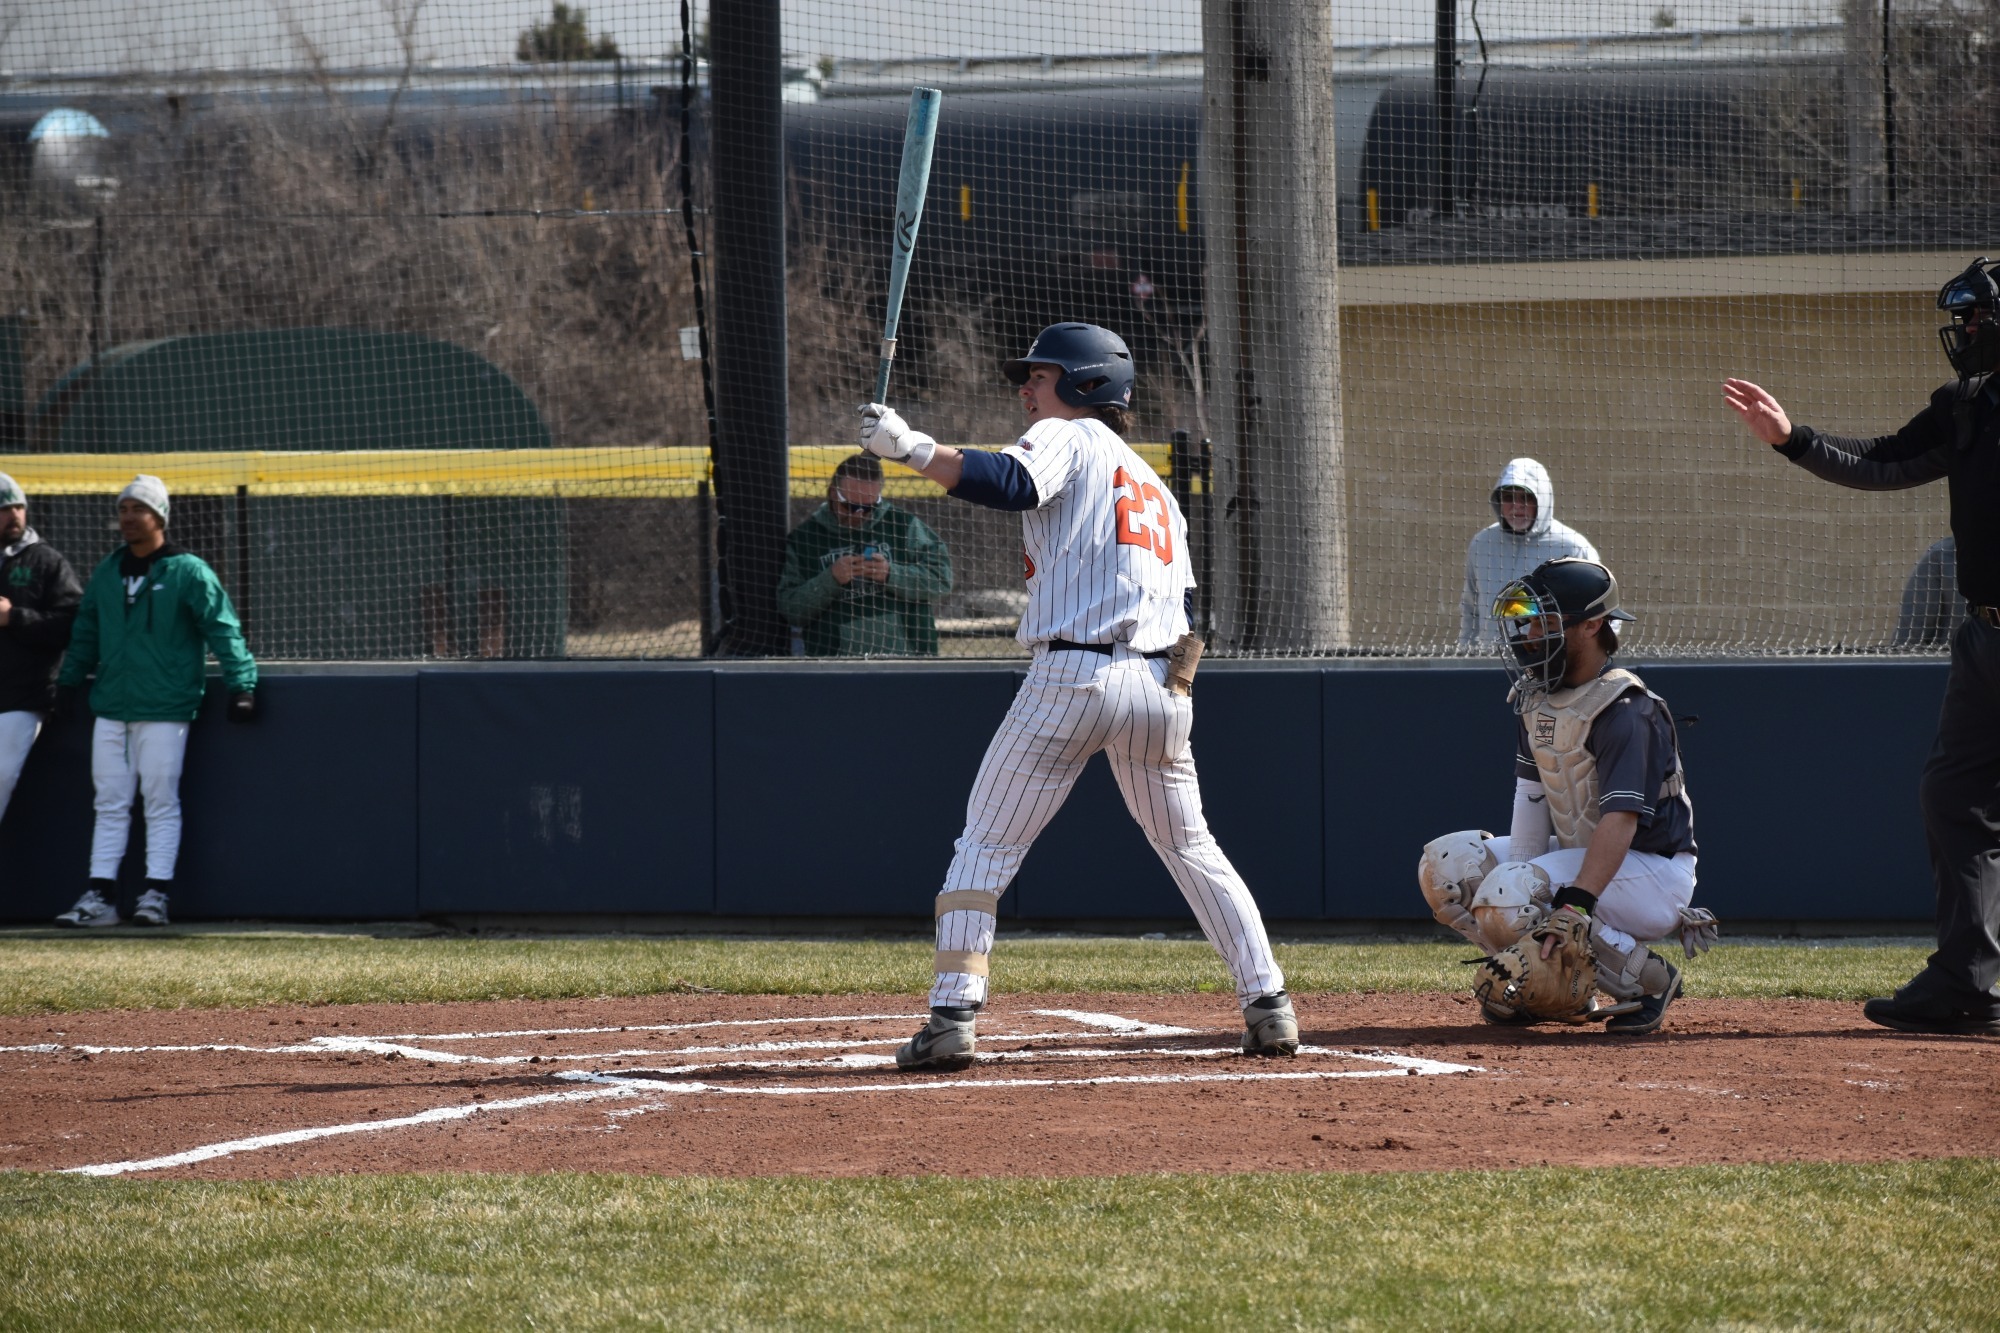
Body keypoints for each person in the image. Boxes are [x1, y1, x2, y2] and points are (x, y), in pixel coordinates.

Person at [856, 322, 1297, 1070]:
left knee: (986, 844)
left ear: (1086, 385)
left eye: (1041, 374)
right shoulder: (1155, 482)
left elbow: (1010, 482)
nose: (1026, 387)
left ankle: (952, 1013)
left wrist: (911, 449)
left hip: (1076, 675)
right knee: (1193, 847)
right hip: (1165, 687)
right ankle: (1269, 1004)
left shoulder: (1074, 434)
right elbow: (1186, 604)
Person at [1724, 254, 2000, 1036]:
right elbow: (1883, 460)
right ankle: (1964, 985)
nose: (1967, 331)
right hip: (1986, 637)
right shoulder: (1964, 405)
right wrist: (1791, 439)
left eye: (1978, 316)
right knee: (1954, 798)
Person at [1418, 557, 1711, 1035]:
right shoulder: (1537, 699)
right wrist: (1518, 902)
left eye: (1544, 619)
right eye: (1525, 618)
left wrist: (1571, 905)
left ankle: (1649, 980)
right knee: (1447, 867)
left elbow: (1623, 820)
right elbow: (1531, 802)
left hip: (1653, 873)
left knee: (1511, 889)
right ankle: (1546, 977)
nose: (1528, 631)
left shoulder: (1627, 710)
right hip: (1587, 859)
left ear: (1593, 624)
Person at [52, 476, 258, 929]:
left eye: (137, 509)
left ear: (159, 516)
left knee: (160, 801)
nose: (127, 517)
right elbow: (86, 633)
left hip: (166, 707)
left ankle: (155, 895)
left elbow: (223, 629)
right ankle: (100, 897)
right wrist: (67, 684)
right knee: (109, 802)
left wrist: (242, 685)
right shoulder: (108, 570)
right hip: (112, 707)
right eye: (123, 509)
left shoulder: (189, 571)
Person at [776, 453, 953, 656]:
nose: (858, 514)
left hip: (910, 663)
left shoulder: (902, 525)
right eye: (849, 506)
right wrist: (830, 579)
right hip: (835, 671)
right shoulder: (804, 540)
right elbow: (790, 610)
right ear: (833, 493)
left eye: (869, 507)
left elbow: (942, 579)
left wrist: (891, 574)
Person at [0, 472, 83, 823]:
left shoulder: (47, 561)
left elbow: (70, 624)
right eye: (4, 509)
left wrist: (13, 617)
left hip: (23, 697)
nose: (14, 515)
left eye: (19, 506)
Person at [1459, 458, 1601, 646]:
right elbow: (1470, 606)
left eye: (1525, 498)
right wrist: (1465, 651)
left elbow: (1600, 611)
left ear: (1541, 500)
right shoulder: (1482, 544)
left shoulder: (1572, 547)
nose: (1517, 506)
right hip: (1492, 661)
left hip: (1551, 663)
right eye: (1509, 497)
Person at [1895, 536, 1963, 649]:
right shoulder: (1942, 555)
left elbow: (1911, 631)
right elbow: (1913, 629)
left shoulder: (1943, 554)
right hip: (1954, 660)